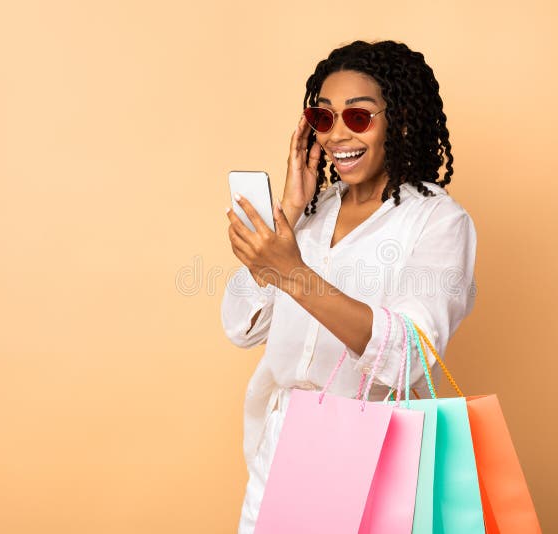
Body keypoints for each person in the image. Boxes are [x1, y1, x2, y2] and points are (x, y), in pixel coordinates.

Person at [222, 40, 478, 533]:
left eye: (358, 117)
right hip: (279, 452)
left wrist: (295, 274)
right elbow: (240, 327)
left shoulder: (438, 222)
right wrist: (290, 212)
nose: (338, 133)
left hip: (376, 455)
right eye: (323, 118)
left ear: (398, 120)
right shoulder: (310, 216)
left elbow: (410, 354)